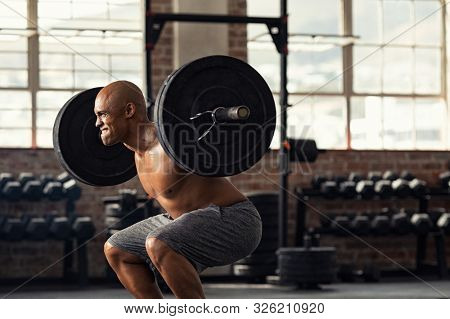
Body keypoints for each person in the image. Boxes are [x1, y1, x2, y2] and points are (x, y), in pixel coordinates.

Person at [97, 81, 262, 299]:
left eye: (103, 115)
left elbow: (216, 146)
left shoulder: (173, 140)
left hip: (235, 220)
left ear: (129, 110)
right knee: (116, 249)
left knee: (158, 243)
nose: (97, 123)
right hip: (182, 219)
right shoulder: (137, 153)